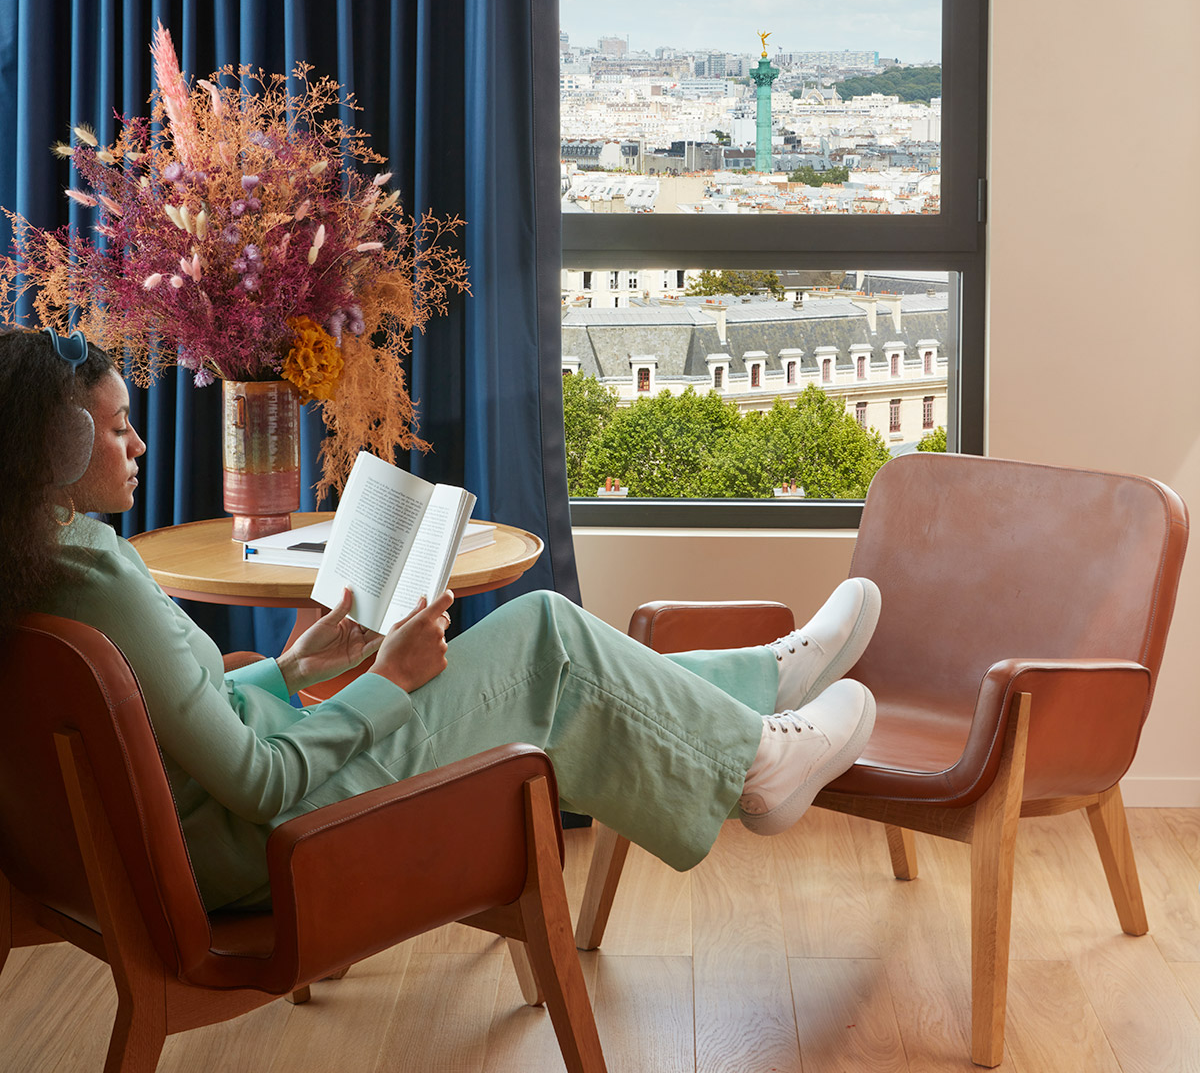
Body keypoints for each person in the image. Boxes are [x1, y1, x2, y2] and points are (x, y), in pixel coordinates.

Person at [0, 327, 878, 912]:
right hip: (267, 846)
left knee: (547, 655)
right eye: (117, 429)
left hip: (196, 845)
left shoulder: (39, 565)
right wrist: (388, 679)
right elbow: (260, 782)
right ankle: (760, 763)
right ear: (60, 446)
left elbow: (188, 722)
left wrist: (295, 668)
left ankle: (761, 684)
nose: (139, 445)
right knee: (545, 636)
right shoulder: (97, 575)